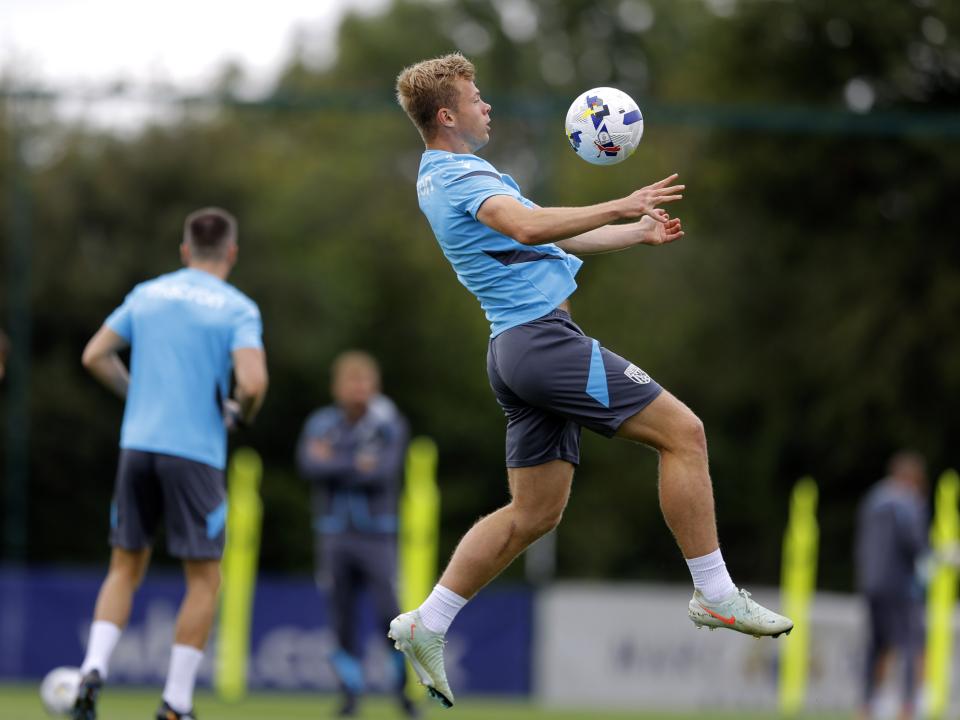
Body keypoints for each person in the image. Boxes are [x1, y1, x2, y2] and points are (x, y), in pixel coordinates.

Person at [390, 53, 793, 708]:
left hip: (516, 352)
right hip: (544, 345)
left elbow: (549, 238)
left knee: (534, 513)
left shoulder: (455, 175)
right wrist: (619, 202)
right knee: (684, 434)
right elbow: (527, 223)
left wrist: (634, 232)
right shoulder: (461, 176)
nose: (485, 105)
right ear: (447, 115)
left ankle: (427, 623)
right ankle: (716, 592)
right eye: (476, 97)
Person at [69, 207, 268, 720]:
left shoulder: (148, 293)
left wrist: (136, 395)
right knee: (203, 580)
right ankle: (175, 702)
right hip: (195, 454)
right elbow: (253, 384)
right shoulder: (236, 307)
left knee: (123, 567)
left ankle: (92, 670)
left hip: (137, 446)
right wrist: (238, 416)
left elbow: (94, 355)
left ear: (184, 251)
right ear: (231, 253)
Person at [296, 351, 417, 718]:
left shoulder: (389, 423)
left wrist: (335, 460)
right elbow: (309, 465)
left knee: (388, 616)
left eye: (364, 381)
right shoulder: (321, 423)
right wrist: (355, 462)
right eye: (351, 381)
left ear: (374, 386)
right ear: (338, 387)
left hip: (376, 535)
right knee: (340, 618)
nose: (358, 389)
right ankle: (349, 696)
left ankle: (402, 693)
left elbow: (382, 473)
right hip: (334, 533)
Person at [855, 451, 929, 720]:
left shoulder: (872, 498)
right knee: (910, 645)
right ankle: (906, 708)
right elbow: (916, 545)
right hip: (900, 587)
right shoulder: (906, 502)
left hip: (871, 583)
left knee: (875, 646)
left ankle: (865, 706)